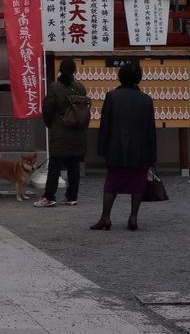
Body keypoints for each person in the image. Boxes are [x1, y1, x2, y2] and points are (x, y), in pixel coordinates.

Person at [91, 62, 156, 232]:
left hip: (116, 147)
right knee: (137, 184)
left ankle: (106, 217)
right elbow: (150, 129)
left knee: (112, 184)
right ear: (139, 79)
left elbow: (105, 125)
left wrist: (102, 148)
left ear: (120, 76)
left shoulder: (112, 97)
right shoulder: (146, 100)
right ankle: (133, 217)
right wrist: (152, 154)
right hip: (140, 150)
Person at [35, 58, 87, 207]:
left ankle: (49, 196)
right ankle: (71, 196)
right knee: (74, 165)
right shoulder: (80, 88)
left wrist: (50, 124)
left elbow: (47, 108)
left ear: (60, 69)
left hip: (60, 132)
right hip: (77, 132)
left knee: (55, 166)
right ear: (74, 71)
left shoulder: (55, 87)